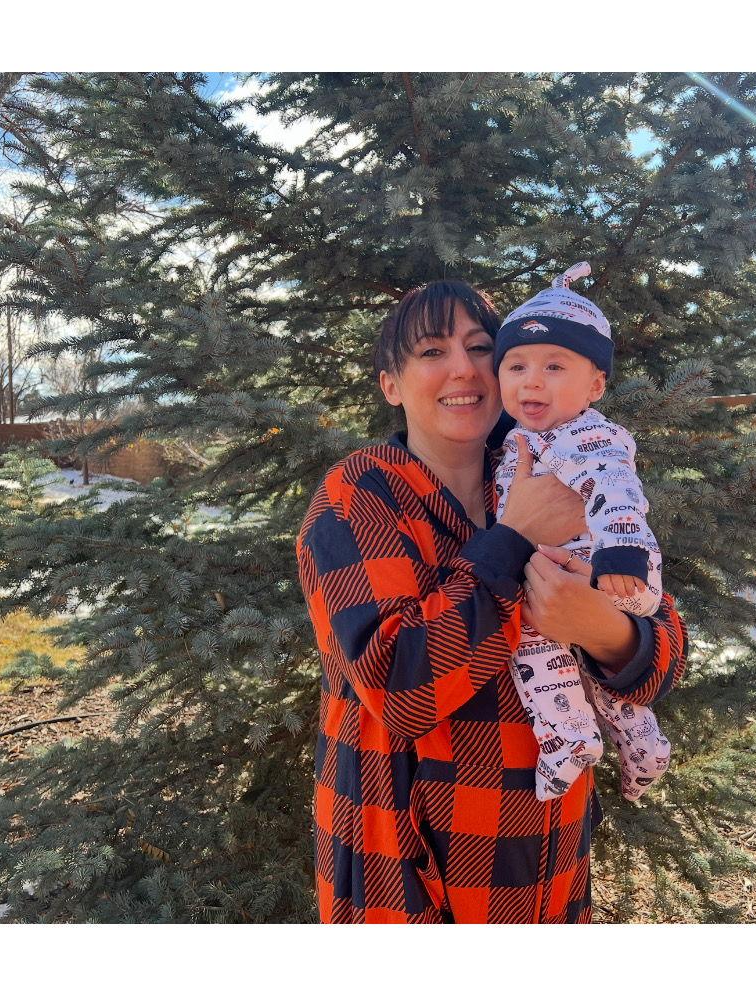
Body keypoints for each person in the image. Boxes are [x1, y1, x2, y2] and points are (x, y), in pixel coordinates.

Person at [296, 278, 688, 923]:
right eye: (431, 352)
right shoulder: (359, 495)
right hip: (409, 864)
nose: (464, 369)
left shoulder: (555, 465)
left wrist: (603, 629)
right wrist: (513, 539)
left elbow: (663, 650)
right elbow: (400, 688)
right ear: (391, 385)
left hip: (546, 850)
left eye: (481, 347)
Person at [493, 262, 671, 804]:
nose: (532, 381)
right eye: (516, 366)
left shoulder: (589, 433)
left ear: (595, 385)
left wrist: (620, 552)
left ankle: (568, 739)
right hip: (581, 573)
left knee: (528, 640)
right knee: (587, 667)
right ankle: (643, 744)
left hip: (610, 569)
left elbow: (615, 486)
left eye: (554, 365)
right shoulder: (520, 438)